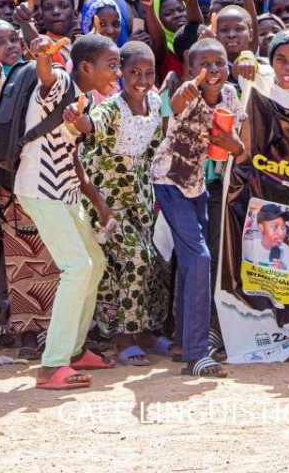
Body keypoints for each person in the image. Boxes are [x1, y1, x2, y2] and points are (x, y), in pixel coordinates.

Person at [17, 32, 121, 390]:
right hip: (41, 190)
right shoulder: (62, 81)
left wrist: (96, 200)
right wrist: (43, 56)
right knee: (77, 267)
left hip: (65, 193)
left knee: (94, 262)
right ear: (87, 67)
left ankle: (74, 351)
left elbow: (73, 155)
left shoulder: (83, 98)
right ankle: (52, 365)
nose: (117, 73)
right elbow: (45, 76)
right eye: (112, 65)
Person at [152, 37, 245, 378]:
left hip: (197, 185)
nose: (213, 70)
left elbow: (239, 144)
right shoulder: (186, 93)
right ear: (191, 69)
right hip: (169, 181)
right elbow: (176, 104)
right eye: (204, 64)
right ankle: (196, 354)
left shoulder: (231, 96)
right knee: (200, 258)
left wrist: (235, 145)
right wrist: (184, 92)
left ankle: (181, 342)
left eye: (219, 63)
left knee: (192, 261)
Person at [74, 41, 170, 365]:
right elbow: (90, 127)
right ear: (120, 74)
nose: (142, 79)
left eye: (148, 73)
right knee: (134, 257)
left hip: (140, 196)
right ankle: (124, 336)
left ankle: (144, 330)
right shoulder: (110, 109)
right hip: (108, 197)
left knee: (152, 261)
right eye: (133, 72)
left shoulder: (155, 103)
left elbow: (155, 145)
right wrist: (77, 119)